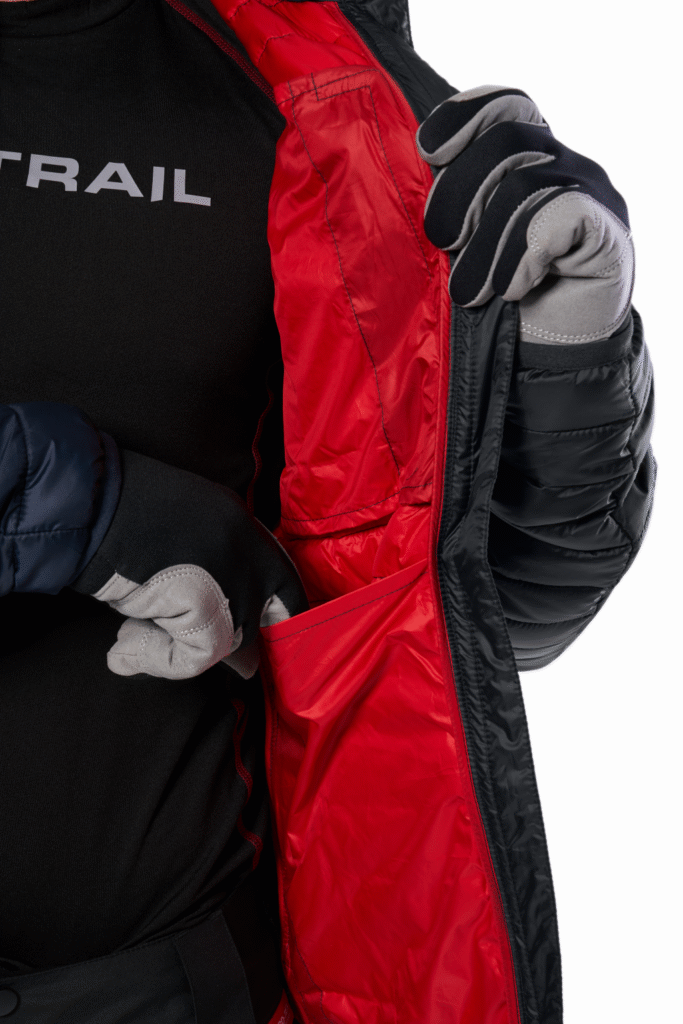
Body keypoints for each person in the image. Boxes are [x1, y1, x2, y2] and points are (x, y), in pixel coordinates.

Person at [0, 1, 654, 1023]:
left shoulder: (300, 85)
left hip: (177, 977)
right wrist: (75, 507)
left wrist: (564, 349)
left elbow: (471, 624)